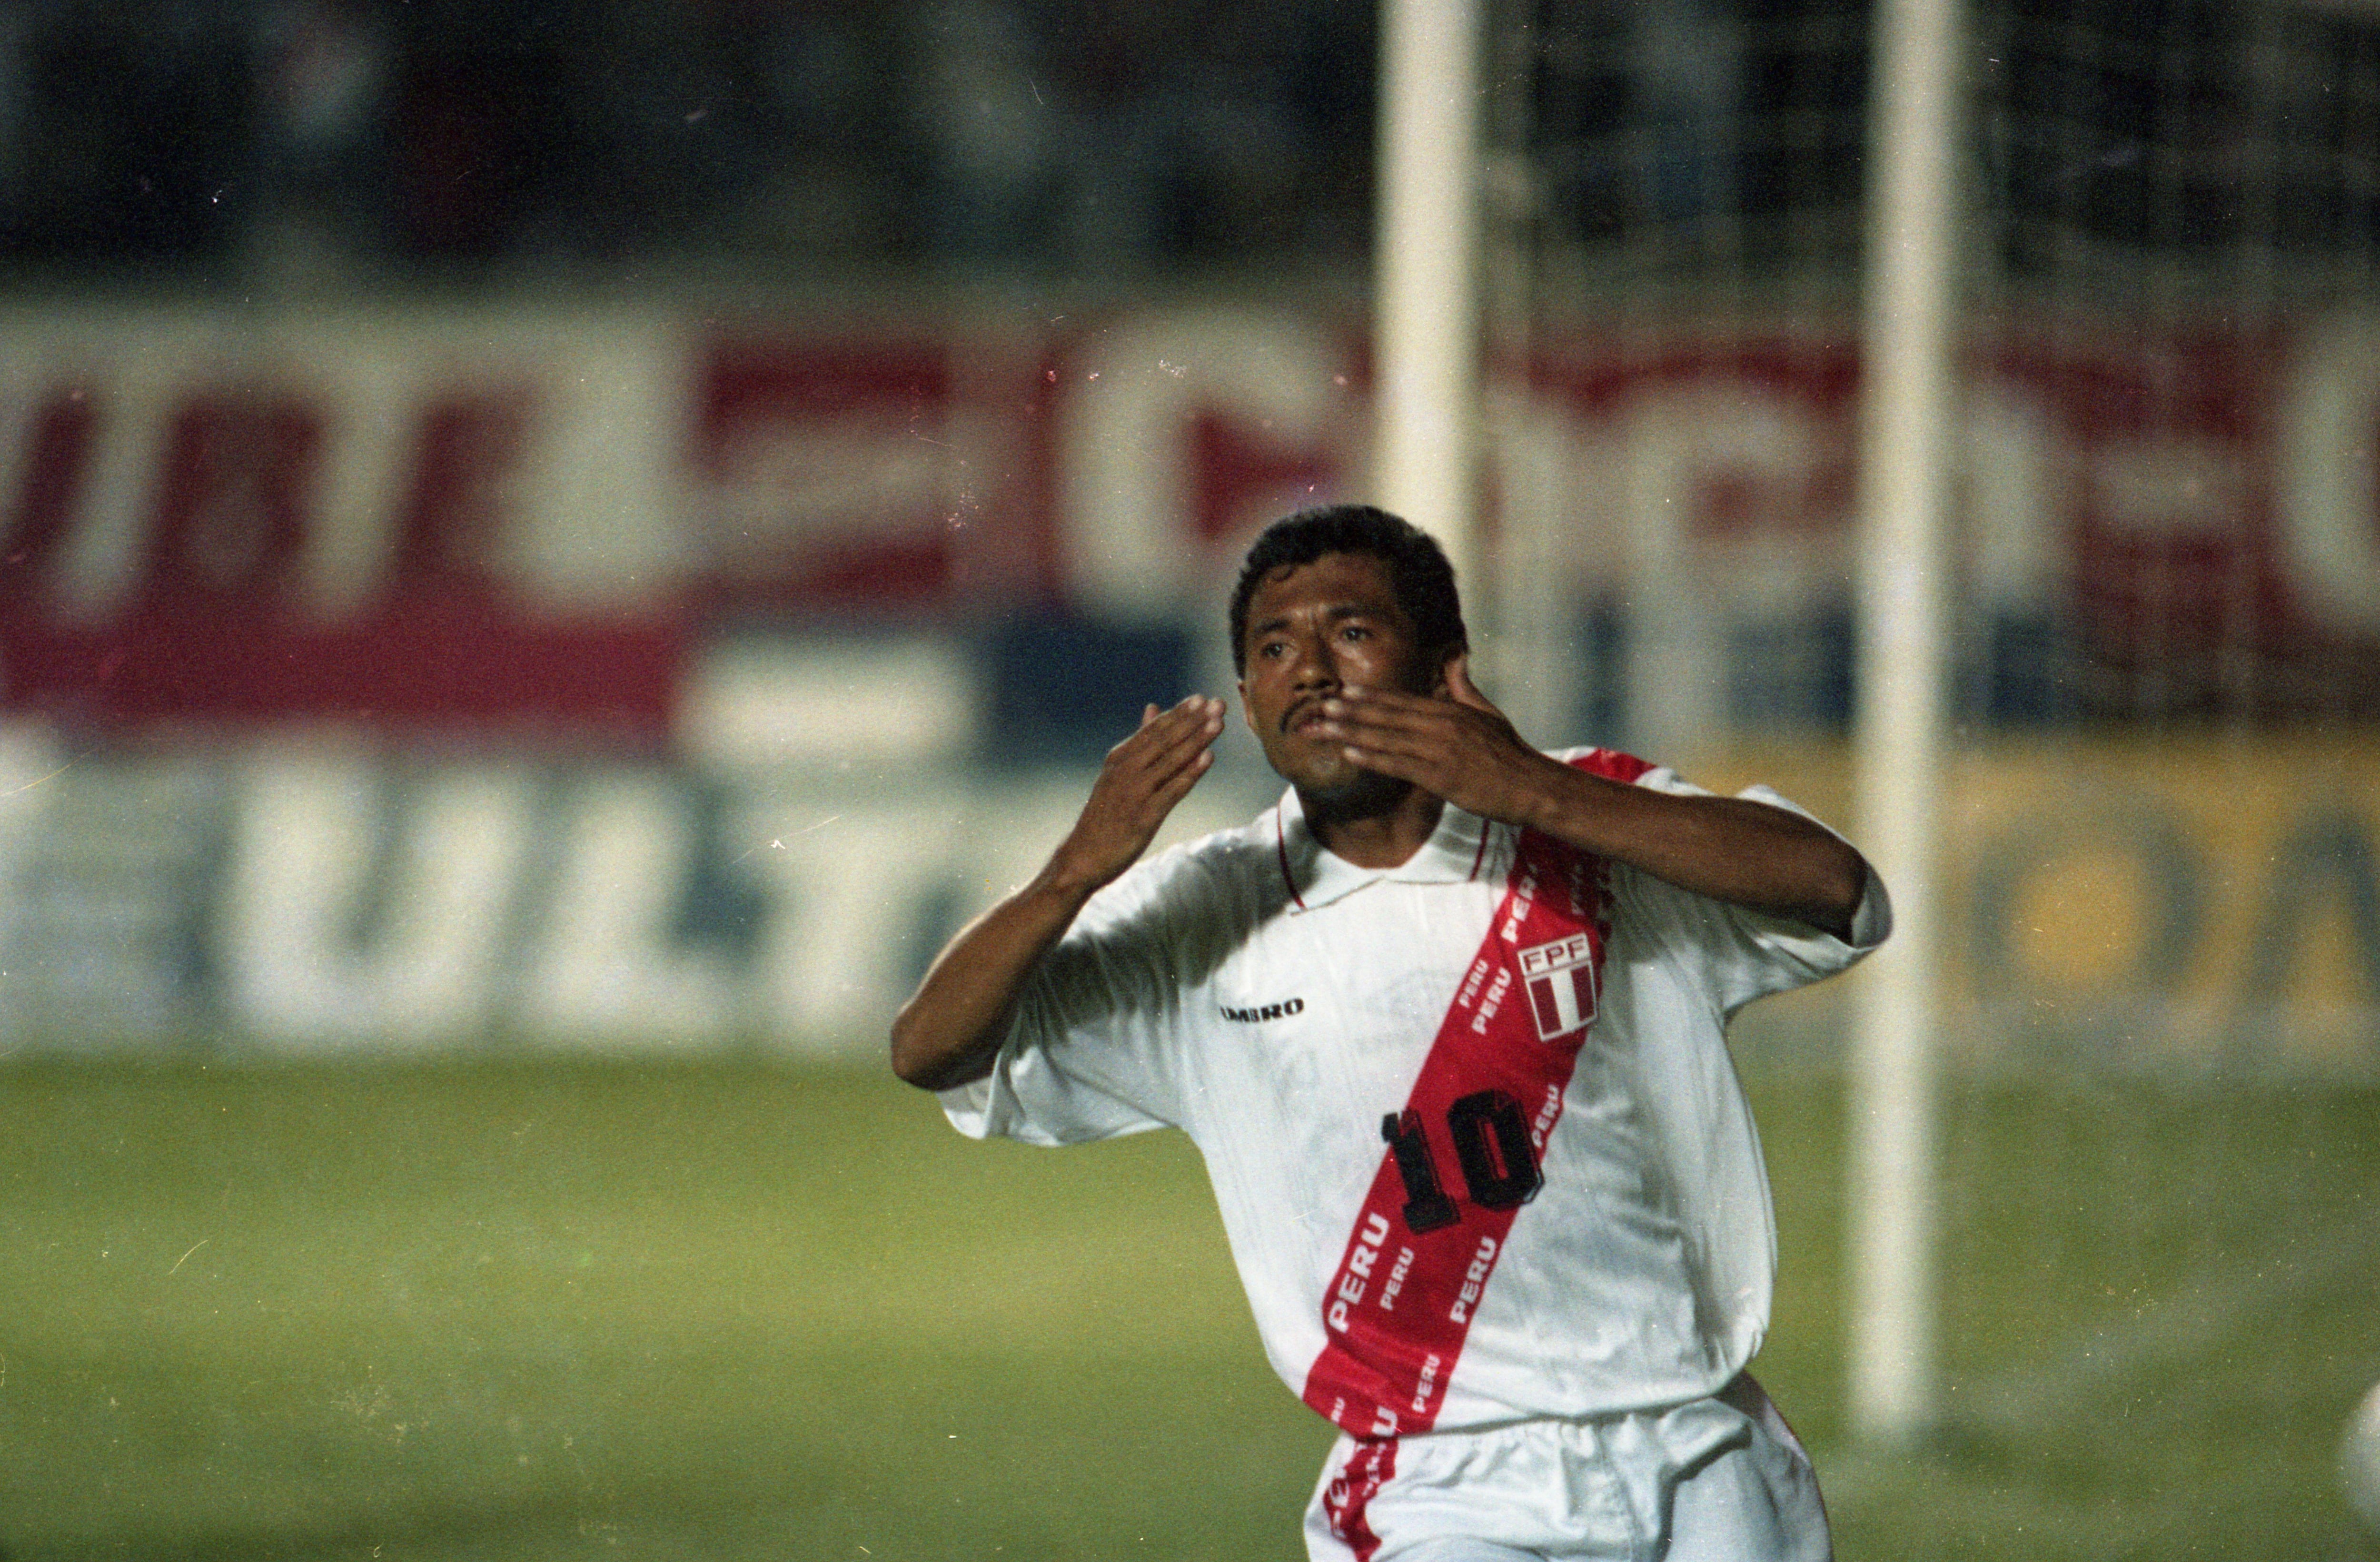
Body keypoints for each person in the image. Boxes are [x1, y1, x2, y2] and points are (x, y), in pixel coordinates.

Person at [891, 504, 1888, 1562]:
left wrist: (1533, 788)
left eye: (1351, 632)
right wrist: (1074, 871)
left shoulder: (1589, 819)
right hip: (1440, 1485)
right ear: (1245, 700)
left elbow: (1837, 890)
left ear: (1444, 671)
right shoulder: (1199, 914)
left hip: (1702, 1450)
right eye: (1274, 648)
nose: (1310, 669)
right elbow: (931, 1052)